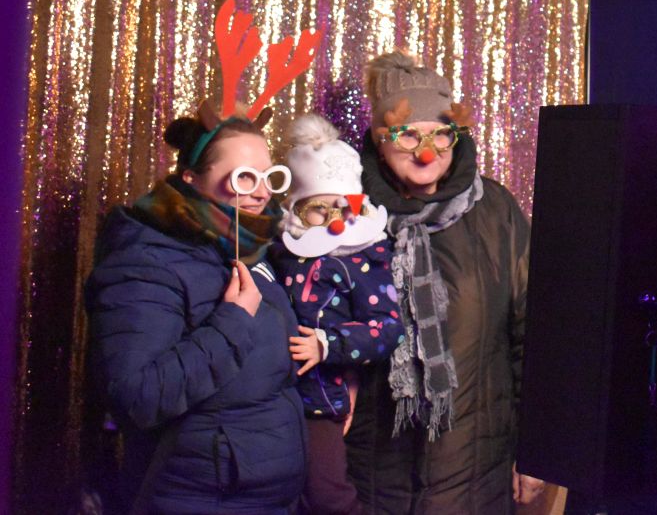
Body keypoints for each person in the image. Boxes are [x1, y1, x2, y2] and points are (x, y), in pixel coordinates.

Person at [344, 51, 543, 513]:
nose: (426, 151)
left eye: (440, 133)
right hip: (373, 478)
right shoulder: (347, 214)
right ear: (379, 140)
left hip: (475, 475)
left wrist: (536, 449)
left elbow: (533, 335)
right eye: (408, 134)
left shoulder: (495, 211)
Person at [85, 113, 306, 514]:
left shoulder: (248, 247)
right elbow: (137, 397)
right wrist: (232, 321)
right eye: (243, 177)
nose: (261, 193)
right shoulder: (146, 261)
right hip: (199, 497)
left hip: (266, 496)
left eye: (269, 177)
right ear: (191, 178)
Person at [274, 113, 404, 515]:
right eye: (320, 208)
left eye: (346, 207)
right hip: (270, 397)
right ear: (296, 209)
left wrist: (328, 345)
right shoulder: (278, 252)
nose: (336, 220)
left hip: (319, 399)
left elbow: (387, 328)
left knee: (328, 495)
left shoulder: (364, 260)